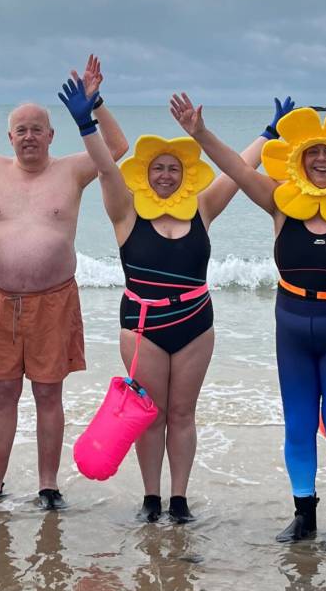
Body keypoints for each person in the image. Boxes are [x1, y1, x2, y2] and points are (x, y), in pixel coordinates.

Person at [59, 77, 293, 521]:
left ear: (184, 174)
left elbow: (237, 172)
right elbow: (107, 169)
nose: (165, 174)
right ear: (146, 174)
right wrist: (86, 123)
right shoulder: (125, 212)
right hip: (143, 325)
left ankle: (179, 498)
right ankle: (151, 497)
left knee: (183, 413)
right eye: (157, 168)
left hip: (195, 322)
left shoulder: (202, 208)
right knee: (150, 413)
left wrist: (268, 134)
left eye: (173, 168)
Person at [170, 92, 326, 551]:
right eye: (312, 151)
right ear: (298, 157)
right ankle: (303, 514)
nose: (319, 159)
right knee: (296, 425)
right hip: (292, 323)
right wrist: (199, 133)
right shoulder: (279, 200)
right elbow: (237, 169)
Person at [0, 56, 129, 509]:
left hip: (54, 302)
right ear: (9, 137)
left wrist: (93, 102)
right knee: (2, 393)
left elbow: (117, 149)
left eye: (36, 128)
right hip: (1, 301)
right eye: (20, 129)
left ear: (51, 134)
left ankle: (47, 486)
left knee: (48, 393)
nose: (28, 136)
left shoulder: (72, 169)